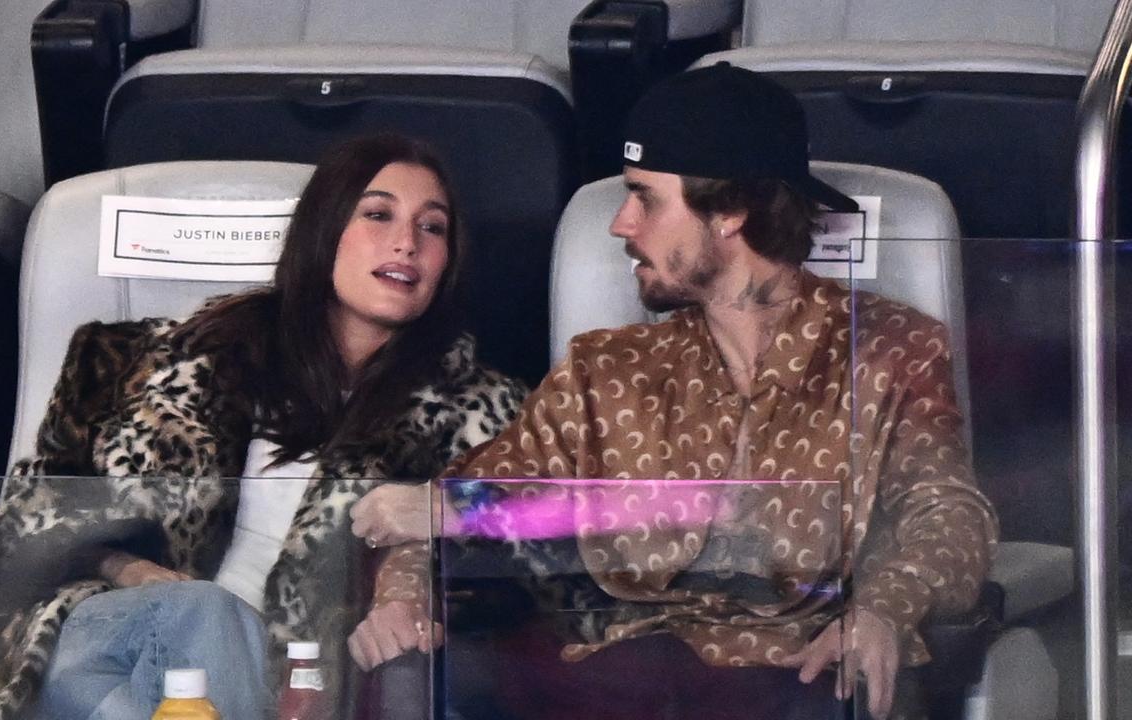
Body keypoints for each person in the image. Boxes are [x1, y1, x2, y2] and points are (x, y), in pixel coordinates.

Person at [348, 63, 999, 720]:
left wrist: (884, 608)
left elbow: (949, 517)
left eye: (646, 198)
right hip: (613, 682)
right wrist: (402, 598)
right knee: (430, 674)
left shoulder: (887, 351)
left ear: (731, 212)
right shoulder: (607, 368)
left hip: (792, 678)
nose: (621, 223)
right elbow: (449, 511)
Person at [0, 134, 527, 720]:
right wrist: (125, 569)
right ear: (324, 230)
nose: (406, 244)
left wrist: (409, 583)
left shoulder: (475, 411)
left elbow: (524, 541)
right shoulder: (168, 363)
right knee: (187, 618)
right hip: (110, 638)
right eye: (377, 215)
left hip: (296, 685)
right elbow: (18, 532)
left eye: (432, 226)